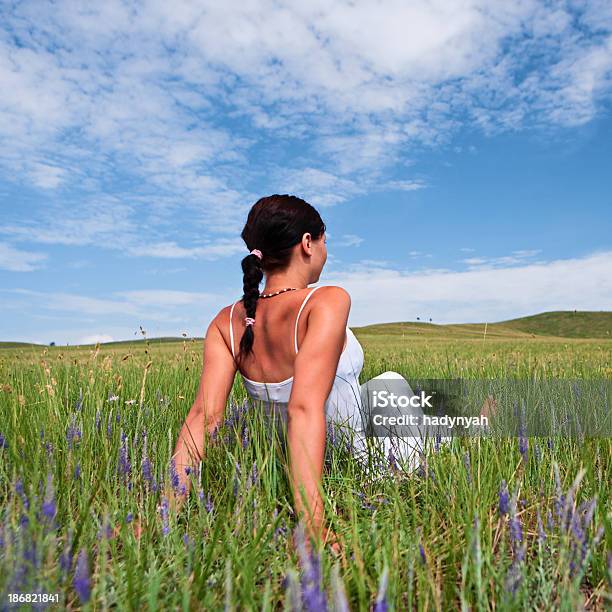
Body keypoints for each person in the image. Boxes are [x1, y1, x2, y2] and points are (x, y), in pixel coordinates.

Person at [166, 194, 494, 554]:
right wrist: (313, 523)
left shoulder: (226, 321)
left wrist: (163, 512)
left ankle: (458, 422)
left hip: (313, 438)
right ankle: (466, 434)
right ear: (308, 243)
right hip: (355, 455)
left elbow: (203, 418)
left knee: (388, 386)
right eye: (324, 240)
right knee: (402, 400)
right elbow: (304, 408)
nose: (325, 250)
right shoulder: (325, 300)